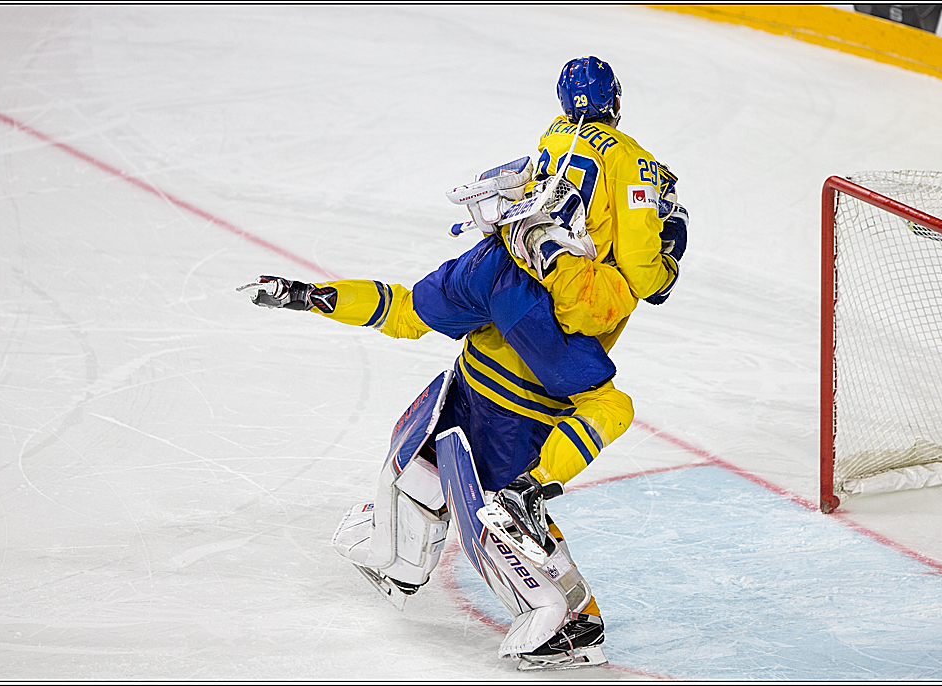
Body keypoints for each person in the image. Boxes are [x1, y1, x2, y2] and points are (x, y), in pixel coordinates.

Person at [237, 55, 687, 671]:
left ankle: (439, 566)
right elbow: (643, 280)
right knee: (481, 482)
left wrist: (313, 296)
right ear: (617, 98)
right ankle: (559, 604)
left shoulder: (553, 141)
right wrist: (667, 252)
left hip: (497, 308)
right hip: (530, 356)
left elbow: (405, 311)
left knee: (431, 458)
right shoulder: (635, 165)